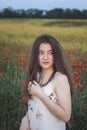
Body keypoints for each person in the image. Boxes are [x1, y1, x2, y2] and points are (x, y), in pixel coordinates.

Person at [19, 34, 75, 130]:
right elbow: (35, 105)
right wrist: (26, 118)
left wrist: (42, 96)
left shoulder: (59, 78)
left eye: (50, 53)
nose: (45, 57)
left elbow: (66, 116)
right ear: (35, 55)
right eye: (41, 53)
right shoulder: (36, 75)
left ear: (56, 55)